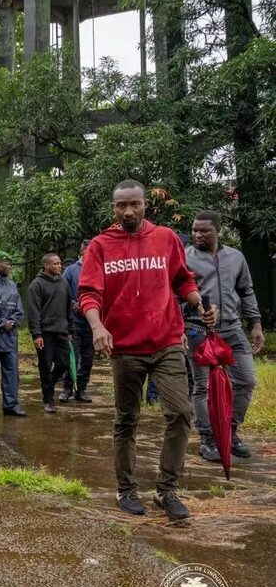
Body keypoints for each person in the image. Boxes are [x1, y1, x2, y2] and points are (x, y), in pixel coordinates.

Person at [79, 179, 216, 521]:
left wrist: (198, 303)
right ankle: (126, 489)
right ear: (114, 208)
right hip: (124, 348)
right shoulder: (100, 246)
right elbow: (88, 294)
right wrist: (98, 325)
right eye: (121, 205)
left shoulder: (166, 238)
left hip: (166, 341)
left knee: (181, 412)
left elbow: (183, 279)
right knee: (127, 420)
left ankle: (167, 490)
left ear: (144, 205)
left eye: (134, 204)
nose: (128, 211)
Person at [184, 210, 263, 461]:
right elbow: (175, 296)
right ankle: (208, 438)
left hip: (232, 327)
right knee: (203, 387)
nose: (198, 234)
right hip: (198, 329)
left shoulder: (236, 258)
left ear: (217, 230)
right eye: (195, 230)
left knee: (246, 380)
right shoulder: (184, 258)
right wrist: (181, 325)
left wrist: (256, 323)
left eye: (204, 230)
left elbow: (246, 291)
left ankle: (230, 431)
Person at [27, 253, 73, 414]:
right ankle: (48, 400)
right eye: (55, 264)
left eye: (60, 263)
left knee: (64, 364)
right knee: (45, 367)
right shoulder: (36, 285)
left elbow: (69, 307)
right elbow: (33, 312)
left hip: (61, 332)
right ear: (46, 266)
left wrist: (70, 330)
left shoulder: (63, 283)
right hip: (45, 334)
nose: (59, 266)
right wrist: (36, 334)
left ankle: (48, 385)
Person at [0, 252, 26, 416]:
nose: (9, 266)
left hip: (10, 341)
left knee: (12, 374)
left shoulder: (12, 285)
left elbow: (19, 310)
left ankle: (11, 405)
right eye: (6, 263)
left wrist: (13, 322)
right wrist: (1, 324)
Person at [61, 240, 94, 403]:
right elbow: (63, 292)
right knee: (72, 356)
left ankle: (81, 389)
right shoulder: (71, 271)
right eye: (88, 251)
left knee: (88, 358)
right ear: (82, 252)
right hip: (74, 322)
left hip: (92, 323)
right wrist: (75, 303)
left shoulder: (98, 269)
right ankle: (67, 388)